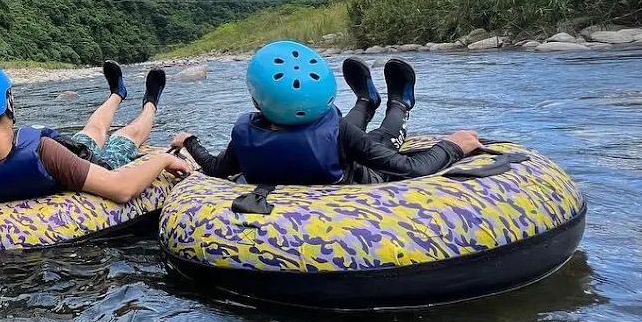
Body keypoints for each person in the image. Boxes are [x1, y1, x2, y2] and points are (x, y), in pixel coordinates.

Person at [171, 41, 481, 185]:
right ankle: (399, 104)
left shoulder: (245, 136)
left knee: (338, 131)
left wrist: (189, 141)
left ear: (257, 102)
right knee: (381, 138)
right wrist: (452, 145)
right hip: (362, 179)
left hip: (335, 145)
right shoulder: (339, 132)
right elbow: (408, 168)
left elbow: (214, 168)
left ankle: (365, 101)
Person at [0, 61, 189, 204]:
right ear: (7, 102)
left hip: (68, 155)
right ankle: (151, 102)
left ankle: (117, 94)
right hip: (93, 164)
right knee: (128, 134)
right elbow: (121, 189)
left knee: (92, 131)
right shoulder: (43, 152)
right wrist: (165, 158)